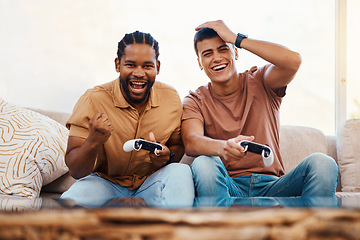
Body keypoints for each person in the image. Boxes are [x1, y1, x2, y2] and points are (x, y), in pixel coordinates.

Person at [181, 20, 338, 201]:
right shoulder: (195, 99)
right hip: (227, 188)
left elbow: (293, 61)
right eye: (207, 54)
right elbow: (192, 142)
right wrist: (224, 147)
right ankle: (222, 225)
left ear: (235, 53)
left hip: (274, 188)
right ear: (200, 63)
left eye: (223, 49)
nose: (216, 58)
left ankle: (314, 229)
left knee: (324, 163)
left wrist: (235, 38)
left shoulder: (261, 81)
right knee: (203, 163)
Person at [60, 30, 194, 208]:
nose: (139, 73)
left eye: (147, 66)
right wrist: (93, 141)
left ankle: (174, 232)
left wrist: (167, 156)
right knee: (67, 205)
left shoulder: (171, 98)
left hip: (150, 184)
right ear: (118, 65)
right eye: (130, 65)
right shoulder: (93, 100)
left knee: (181, 171)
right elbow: (76, 171)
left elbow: (177, 145)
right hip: (106, 184)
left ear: (158, 67)